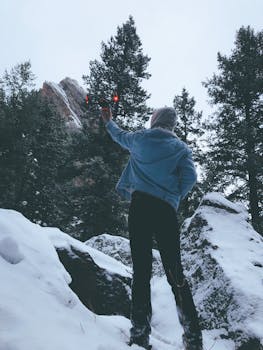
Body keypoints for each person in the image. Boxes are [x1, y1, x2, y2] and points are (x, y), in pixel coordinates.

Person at [101, 106, 203, 350]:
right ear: (172, 124)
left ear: (154, 121)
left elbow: (118, 135)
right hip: (165, 211)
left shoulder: (139, 139)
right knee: (175, 271)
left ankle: (139, 334)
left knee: (141, 270)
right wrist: (171, 195)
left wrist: (108, 120)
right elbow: (190, 178)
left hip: (140, 208)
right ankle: (193, 337)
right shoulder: (181, 149)